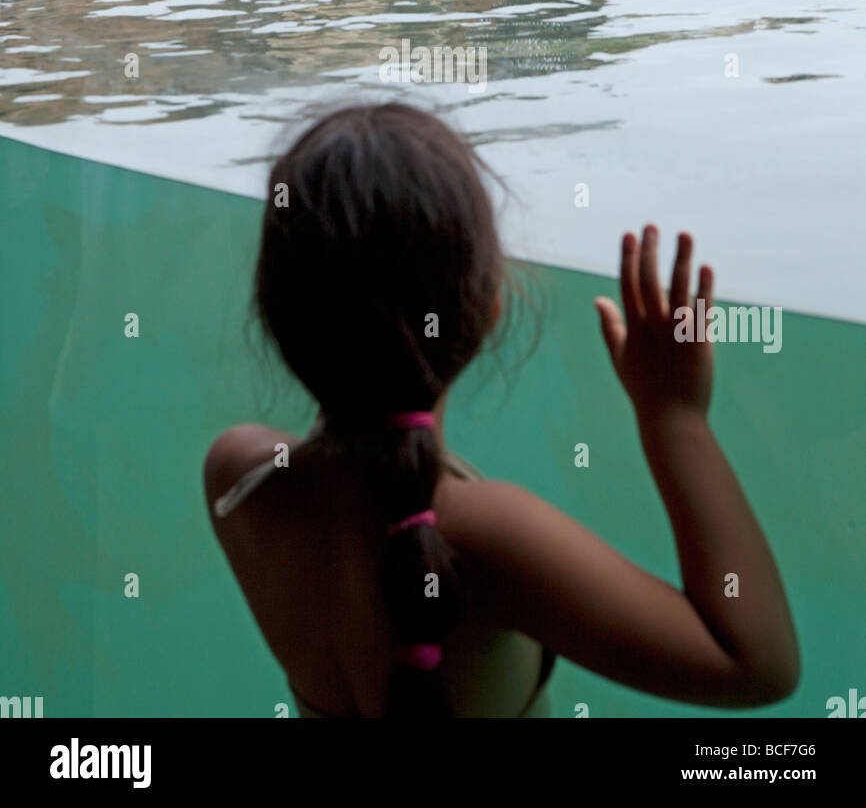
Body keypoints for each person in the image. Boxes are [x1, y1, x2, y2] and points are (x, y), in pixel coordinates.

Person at [204, 101, 799, 718]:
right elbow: (756, 665)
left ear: (276, 317)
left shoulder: (238, 481)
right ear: (487, 313)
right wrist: (675, 420)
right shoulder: (487, 540)